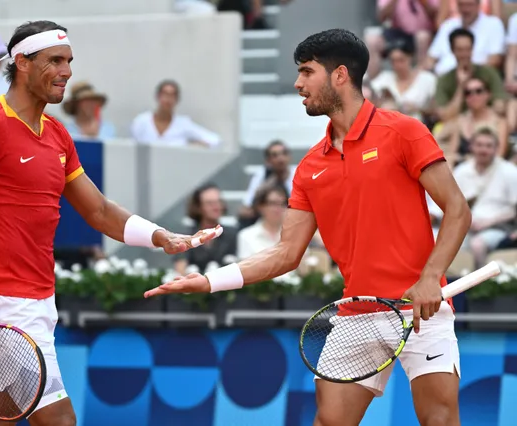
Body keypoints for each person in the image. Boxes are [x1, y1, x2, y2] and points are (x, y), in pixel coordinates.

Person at [144, 28, 472, 426]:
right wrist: (210, 281)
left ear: (339, 75)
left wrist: (430, 277)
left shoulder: (403, 131)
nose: (298, 84)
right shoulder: (310, 168)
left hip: (423, 309)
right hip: (357, 314)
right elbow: (286, 253)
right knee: (329, 422)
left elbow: (457, 209)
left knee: (440, 421)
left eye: (306, 72)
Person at [0, 20, 223, 426]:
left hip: (38, 301)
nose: (66, 71)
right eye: (55, 61)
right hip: (4, 303)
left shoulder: (57, 135)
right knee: (59, 420)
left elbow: (98, 210)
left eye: (69, 61)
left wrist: (160, 236)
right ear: (22, 64)